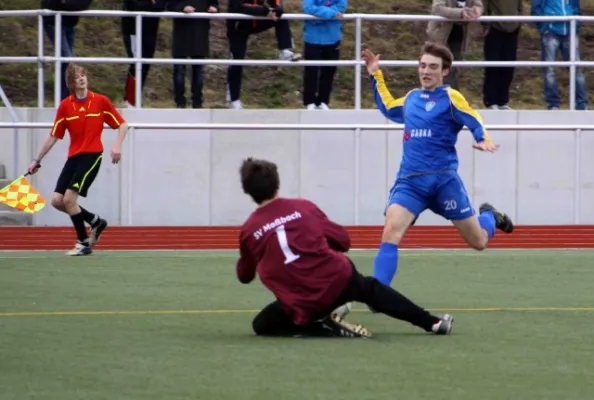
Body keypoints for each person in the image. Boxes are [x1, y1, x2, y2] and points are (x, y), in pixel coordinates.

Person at [235, 157, 454, 338]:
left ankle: (320, 328)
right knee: (370, 289)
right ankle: (432, 322)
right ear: (277, 184)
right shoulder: (302, 206)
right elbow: (344, 241)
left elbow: (244, 276)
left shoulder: (248, 230)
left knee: (262, 325)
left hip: (300, 303)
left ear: (248, 192)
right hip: (336, 280)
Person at [363, 42, 514, 289]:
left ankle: (490, 216)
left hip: (444, 182)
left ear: (445, 72)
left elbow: (473, 119)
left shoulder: (451, 97)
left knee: (479, 242)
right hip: (410, 182)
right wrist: (375, 73)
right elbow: (389, 107)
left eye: (433, 67)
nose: (426, 71)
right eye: (422, 66)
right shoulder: (411, 98)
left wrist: (482, 139)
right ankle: (378, 293)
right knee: (390, 232)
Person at [27, 64, 129, 256]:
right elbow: (53, 136)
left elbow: (123, 125)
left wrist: (117, 145)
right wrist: (36, 160)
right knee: (58, 201)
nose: (81, 79)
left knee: (69, 199)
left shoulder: (100, 101)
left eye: (83, 75)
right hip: (73, 157)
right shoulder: (66, 106)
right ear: (71, 84)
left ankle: (83, 243)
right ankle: (96, 222)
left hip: (92, 156)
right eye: (76, 77)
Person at [226, 0, 301, 109]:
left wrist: (276, 10)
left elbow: (276, 3)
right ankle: (233, 99)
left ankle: (284, 50)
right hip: (237, 25)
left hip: (256, 20)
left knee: (282, 18)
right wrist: (264, 10)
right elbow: (238, 6)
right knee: (237, 60)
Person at [167, 0, 219, 109]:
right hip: (182, 33)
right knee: (179, 69)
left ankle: (197, 102)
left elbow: (214, 3)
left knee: (199, 70)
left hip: (200, 32)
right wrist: (182, 7)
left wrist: (214, 8)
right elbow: (169, 5)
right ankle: (180, 102)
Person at [301, 0, 347, 110]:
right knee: (311, 70)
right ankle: (309, 101)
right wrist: (332, 14)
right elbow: (308, 8)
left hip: (333, 37)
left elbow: (341, 7)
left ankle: (323, 101)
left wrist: (319, 14)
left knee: (329, 70)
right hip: (312, 37)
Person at [121, 0, 166, 107]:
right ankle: (130, 101)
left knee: (145, 64)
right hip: (133, 28)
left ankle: (135, 99)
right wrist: (150, 3)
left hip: (150, 29)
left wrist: (154, 5)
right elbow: (132, 5)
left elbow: (161, 6)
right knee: (136, 63)